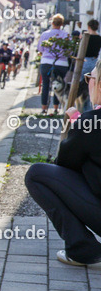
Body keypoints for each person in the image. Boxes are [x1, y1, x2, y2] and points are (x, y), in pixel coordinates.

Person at [25, 58, 101, 267]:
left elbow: (66, 165)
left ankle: (82, 249)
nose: (88, 83)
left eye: (90, 77)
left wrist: (77, 127)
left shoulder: (93, 122)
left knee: (37, 174)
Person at [38, 14, 72, 115]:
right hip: (61, 63)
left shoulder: (45, 34)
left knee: (46, 85)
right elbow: (69, 51)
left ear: (52, 23)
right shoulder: (66, 35)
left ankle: (44, 109)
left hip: (46, 62)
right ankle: (56, 109)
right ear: (62, 24)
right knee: (59, 85)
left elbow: (40, 48)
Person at [79, 19, 100, 104]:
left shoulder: (86, 37)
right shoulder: (99, 38)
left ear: (88, 27)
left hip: (85, 60)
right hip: (95, 61)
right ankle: (93, 104)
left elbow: (81, 51)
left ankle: (83, 107)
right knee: (94, 84)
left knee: (81, 85)